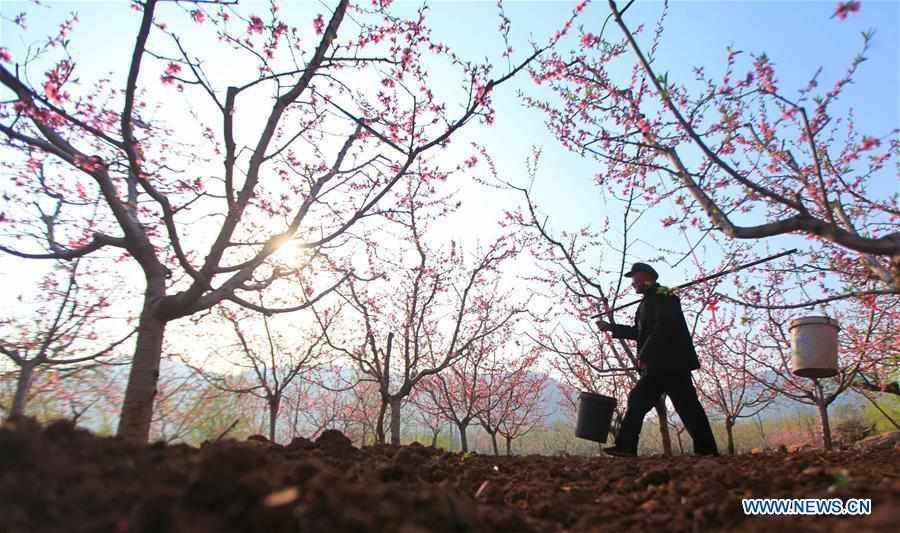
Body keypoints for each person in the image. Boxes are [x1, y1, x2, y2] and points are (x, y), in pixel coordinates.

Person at [595, 262, 719, 457]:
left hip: (670, 363)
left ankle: (707, 450)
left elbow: (663, 327)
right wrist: (611, 328)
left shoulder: (664, 295)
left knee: (686, 406)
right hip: (657, 365)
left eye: (634, 278)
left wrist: (644, 354)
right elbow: (639, 332)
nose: (633, 284)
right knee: (644, 401)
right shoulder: (646, 303)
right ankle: (626, 446)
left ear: (645, 276)